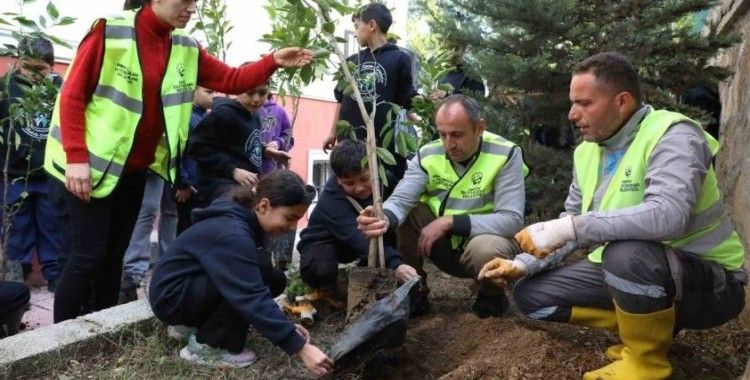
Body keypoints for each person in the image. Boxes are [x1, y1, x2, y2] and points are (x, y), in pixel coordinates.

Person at [479, 52, 746, 379]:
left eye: (584, 103)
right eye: (572, 103)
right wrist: (523, 263)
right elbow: (572, 218)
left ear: (622, 101)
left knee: (626, 252)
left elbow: (669, 215)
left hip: (712, 283)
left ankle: (646, 362)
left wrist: (573, 227)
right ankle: (649, 326)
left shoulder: (673, 134)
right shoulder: (587, 152)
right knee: (530, 296)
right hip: (639, 270)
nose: (572, 114)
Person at [46, 0, 312, 323]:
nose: (191, 8)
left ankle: (97, 329)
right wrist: (76, 157)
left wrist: (272, 61)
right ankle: (58, 337)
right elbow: (72, 94)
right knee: (88, 254)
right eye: (184, 1)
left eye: (194, 2)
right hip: (88, 167)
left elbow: (232, 79)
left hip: (132, 171)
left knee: (114, 255)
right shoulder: (111, 31)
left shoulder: (185, 47)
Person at [357, 94, 527, 318]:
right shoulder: (427, 154)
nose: (449, 144)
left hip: (484, 247)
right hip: (442, 247)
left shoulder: (505, 154)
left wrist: (450, 222)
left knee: (486, 249)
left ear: (479, 128)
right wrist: (383, 217)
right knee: (409, 213)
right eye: (442, 134)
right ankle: (414, 291)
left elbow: (512, 220)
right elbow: (401, 200)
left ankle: (491, 294)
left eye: (457, 135)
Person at [149, 170, 332, 374]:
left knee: (272, 278)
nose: (292, 227)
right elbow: (251, 295)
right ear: (264, 206)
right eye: (290, 218)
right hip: (172, 298)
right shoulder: (233, 234)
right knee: (245, 283)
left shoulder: (243, 214)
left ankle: (190, 326)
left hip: (185, 287)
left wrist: (284, 327)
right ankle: (208, 346)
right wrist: (300, 347)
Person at [323, 3, 419, 196]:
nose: (356, 32)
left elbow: (407, 98)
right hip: (349, 143)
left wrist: (427, 109)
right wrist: (333, 132)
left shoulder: (400, 58)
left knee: (380, 193)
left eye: (358, 26)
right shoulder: (351, 61)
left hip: (380, 145)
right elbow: (341, 99)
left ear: (372, 25)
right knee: (346, 189)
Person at [298, 140, 418, 290]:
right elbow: (357, 237)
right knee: (319, 268)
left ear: (374, 170)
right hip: (330, 241)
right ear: (338, 180)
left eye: (364, 179)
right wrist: (395, 265)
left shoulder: (384, 181)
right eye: (349, 183)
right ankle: (327, 291)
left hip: (360, 241)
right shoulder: (331, 199)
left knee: (385, 226)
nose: (359, 188)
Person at [0, 36, 65, 291]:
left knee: (53, 229)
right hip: (14, 176)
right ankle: (15, 287)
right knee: (16, 232)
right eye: (29, 67)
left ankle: (57, 281)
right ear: (18, 63)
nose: (35, 75)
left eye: (42, 69)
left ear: (50, 67)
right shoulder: (5, 89)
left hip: (49, 174)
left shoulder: (60, 90)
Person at [189, 82, 289, 207]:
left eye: (262, 93)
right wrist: (233, 170)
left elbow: (244, 143)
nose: (256, 99)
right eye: (250, 93)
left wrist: (266, 151)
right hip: (219, 189)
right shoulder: (223, 114)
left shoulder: (255, 115)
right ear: (237, 89)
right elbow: (197, 147)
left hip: (246, 187)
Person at [175, 86, 214, 234]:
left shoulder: (205, 117)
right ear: (195, 91)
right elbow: (176, 152)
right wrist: (183, 183)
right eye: (209, 92)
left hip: (201, 188)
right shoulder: (186, 118)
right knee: (184, 230)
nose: (212, 97)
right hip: (187, 189)